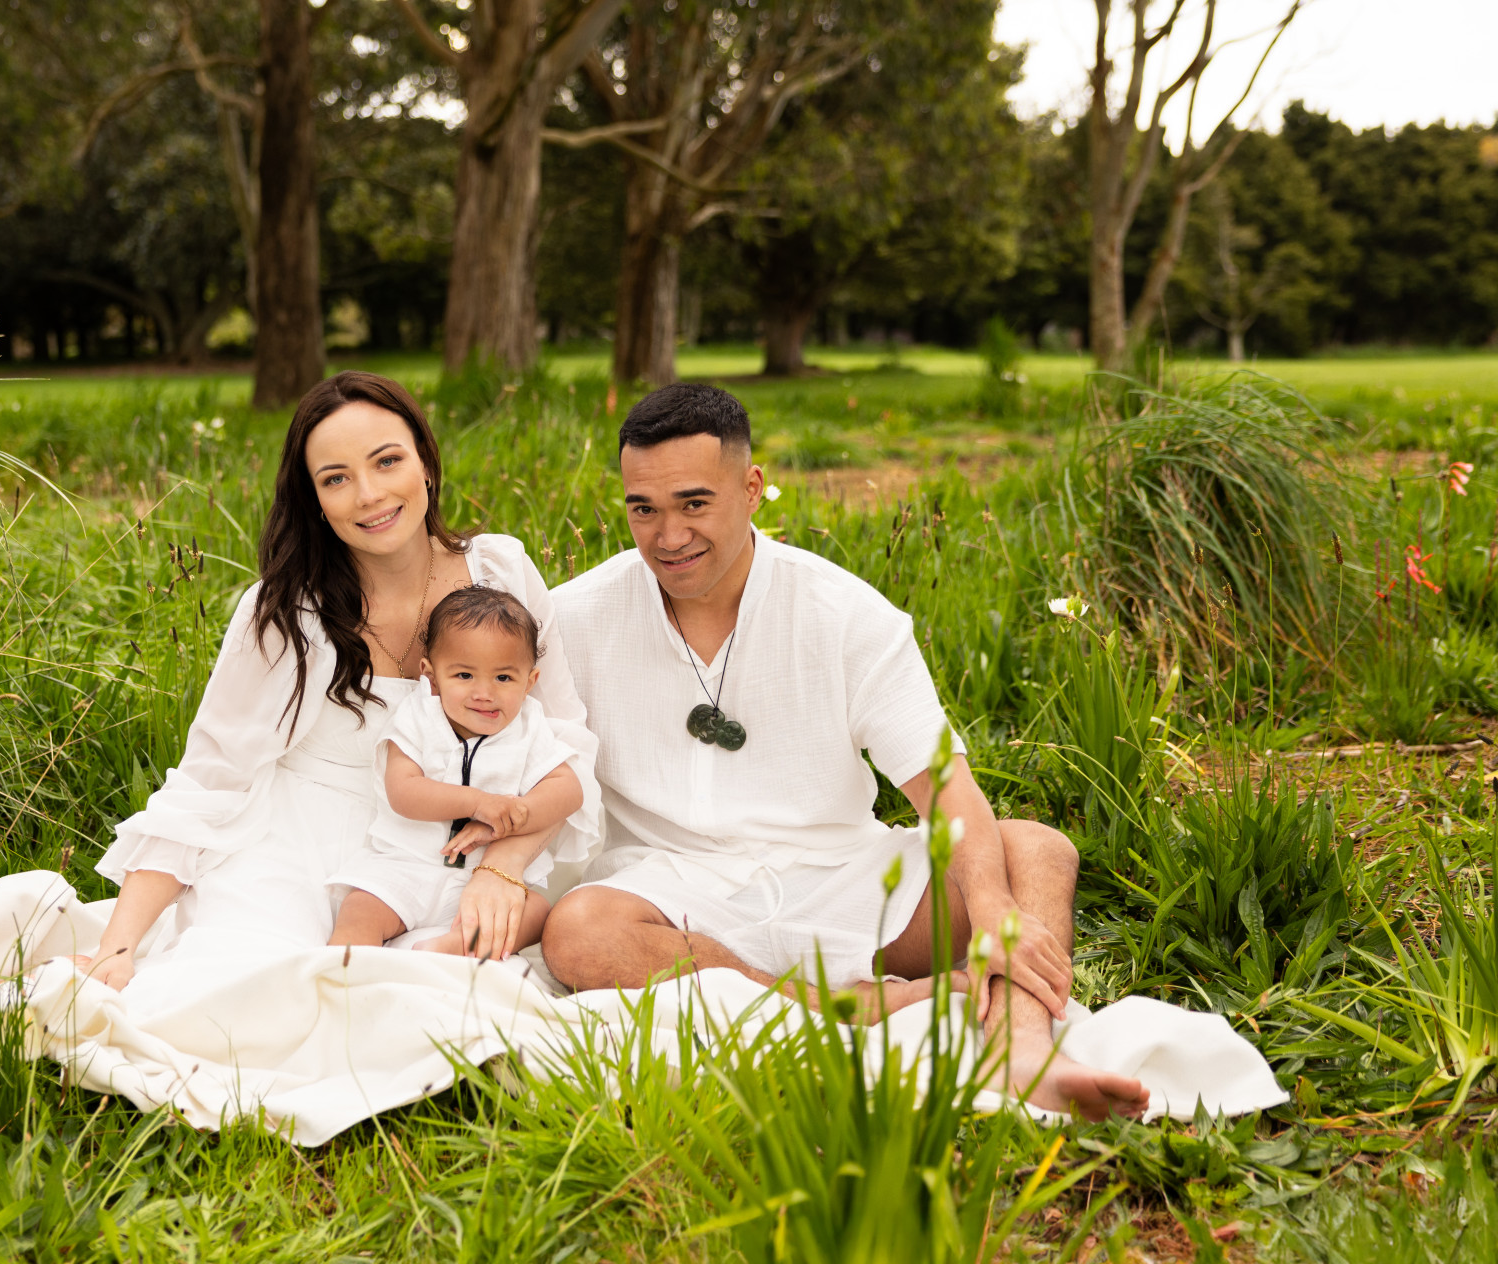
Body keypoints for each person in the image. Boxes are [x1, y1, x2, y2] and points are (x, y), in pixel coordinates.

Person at [541, 383, 1151, 1121]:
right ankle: (853, 1005)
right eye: (645, 509)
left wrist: (990, 907)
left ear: (753, 487)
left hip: (842, 881)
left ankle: (1021, 1048)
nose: (668, 536)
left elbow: (942, 783)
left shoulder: (845, 612)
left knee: (1037, 851)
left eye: (694, 504)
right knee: (578, 931)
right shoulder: (573, 615)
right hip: (675, 901)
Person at [68, 372, 599, 990]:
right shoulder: (286, 610)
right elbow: (212, 779)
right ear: (315, 500)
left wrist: (501, 869)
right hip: (299, 845)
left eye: (387, 461)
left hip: (473, 845)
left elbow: (564, 741)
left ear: (426, 463)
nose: (369, 495)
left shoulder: (500, 571)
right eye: (336, 478)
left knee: (467, 981)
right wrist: (117, 947)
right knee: (268, 988)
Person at [327, 586, 585, 958]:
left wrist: (513, 816)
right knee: (360, 907)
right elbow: (404, 791)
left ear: (529, 682)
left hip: (486, 883)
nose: (484, 693)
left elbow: (569, 790)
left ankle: (451, 947)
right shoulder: (418, 718)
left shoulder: (528, 727)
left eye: (503, 678)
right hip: (407, 867)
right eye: (464, 675)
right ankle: (346, 967)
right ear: (431, 676)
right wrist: (479, 803)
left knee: (538, 913)